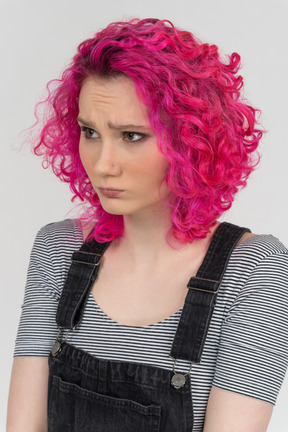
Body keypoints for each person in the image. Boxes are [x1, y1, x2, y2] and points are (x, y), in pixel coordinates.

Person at [6, 17, 288, 432]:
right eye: (90, 131)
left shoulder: (255, 269)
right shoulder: (58, 249)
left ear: (190, 139)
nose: (102, 164)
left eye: (131, 136)